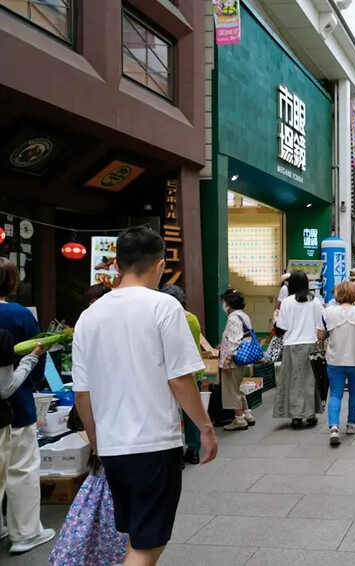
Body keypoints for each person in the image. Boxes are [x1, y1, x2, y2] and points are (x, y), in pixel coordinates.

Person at [73, 227, 217, 566]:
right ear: (160, 265)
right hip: (154, 443)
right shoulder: (164, 306)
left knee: (139, 533)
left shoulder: (88, 317)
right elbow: (181, 379)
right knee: (149, 540)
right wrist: (207, 429)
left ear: (118, 265)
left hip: (113, 447)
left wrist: (96, 441)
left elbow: (82, 393)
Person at [0, 257, 53, 555]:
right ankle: (25, 533)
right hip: (14, 404)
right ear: (11, 282)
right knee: (20, 468)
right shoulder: (19, 315)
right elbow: (37, 359)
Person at [0, 332, 45, 547]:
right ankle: (25, 534)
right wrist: (32, 357)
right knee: (19, 470)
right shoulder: (2, 337)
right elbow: (5, 388)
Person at [317, 282, 355, 446]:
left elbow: (320, 335)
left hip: (335, 359)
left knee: (335, 394)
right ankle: (351, 424)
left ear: (337, 295)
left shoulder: (327, 312)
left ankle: (334, 428)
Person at [158, 285, 204, 465]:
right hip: (192, 372)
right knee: (191, 412)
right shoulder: (192, 319)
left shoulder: (166, 320)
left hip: (170, 373)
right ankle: (194, 449)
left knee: (170, 413)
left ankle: (174, 452)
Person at [274, 271, 325, 427]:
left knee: (293, 380)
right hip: (311, 343)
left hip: (292, 345)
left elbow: (281, 326)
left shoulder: (287, 302)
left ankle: (296, 416)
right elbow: (320, 324)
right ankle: (310, 415)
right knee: (311, 380)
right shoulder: (315, 301)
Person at [219, 288, 257, 431]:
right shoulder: (243, 316)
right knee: (238, 387)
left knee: (231, 390)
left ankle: (239, 419)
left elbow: (234, 340)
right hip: (242, 358)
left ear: (228, 304)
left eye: (224, 302)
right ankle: (247, 414)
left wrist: (227, 359)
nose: (223, 304)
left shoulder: (233, 318)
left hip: (233, 360)